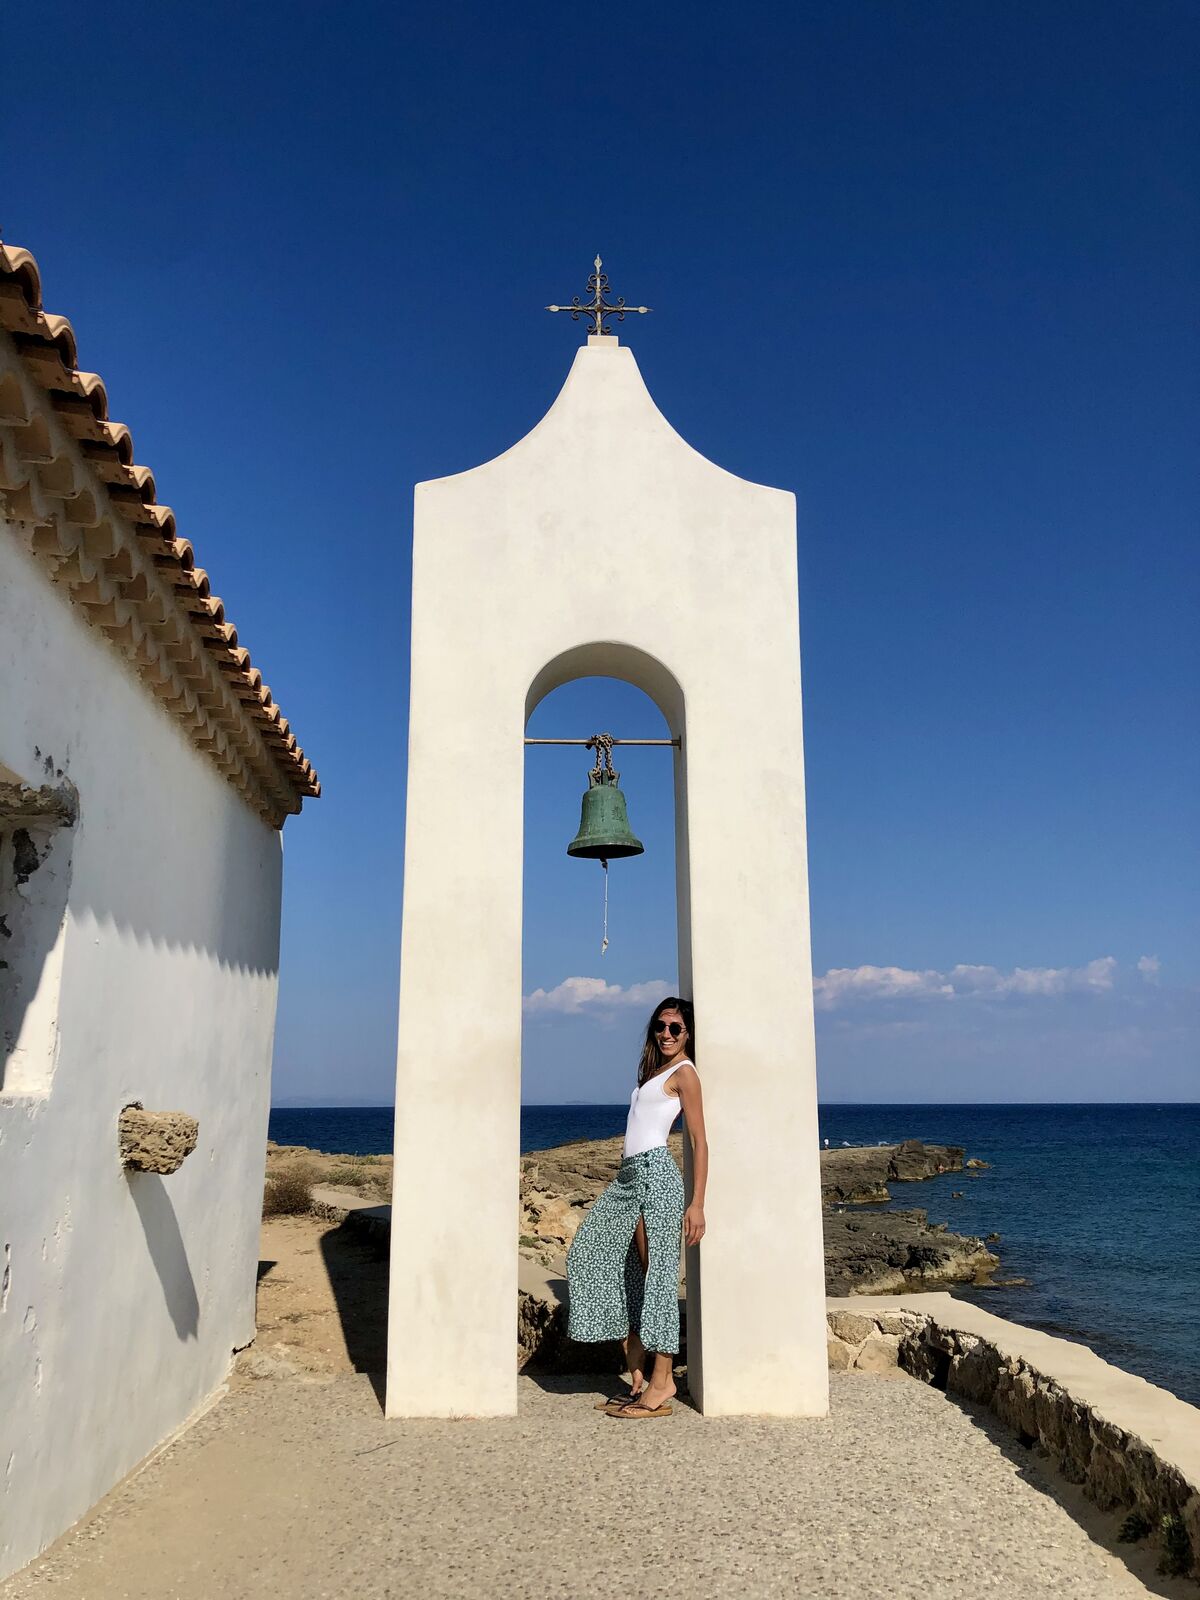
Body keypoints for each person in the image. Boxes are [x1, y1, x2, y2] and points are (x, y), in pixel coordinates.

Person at [565, 996, 708, 1419]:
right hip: (629, 1177)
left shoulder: (686, 1074)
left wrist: (697, 1203)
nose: (666, 1034)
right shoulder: (654, 1071)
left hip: (655, 1177)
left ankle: (662, 1384)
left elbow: (699, 1141)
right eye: (660, 1027)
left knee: (658, 1278)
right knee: (591, 1254)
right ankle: (638, 1367)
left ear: (688, 1034)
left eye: (675, 1029)